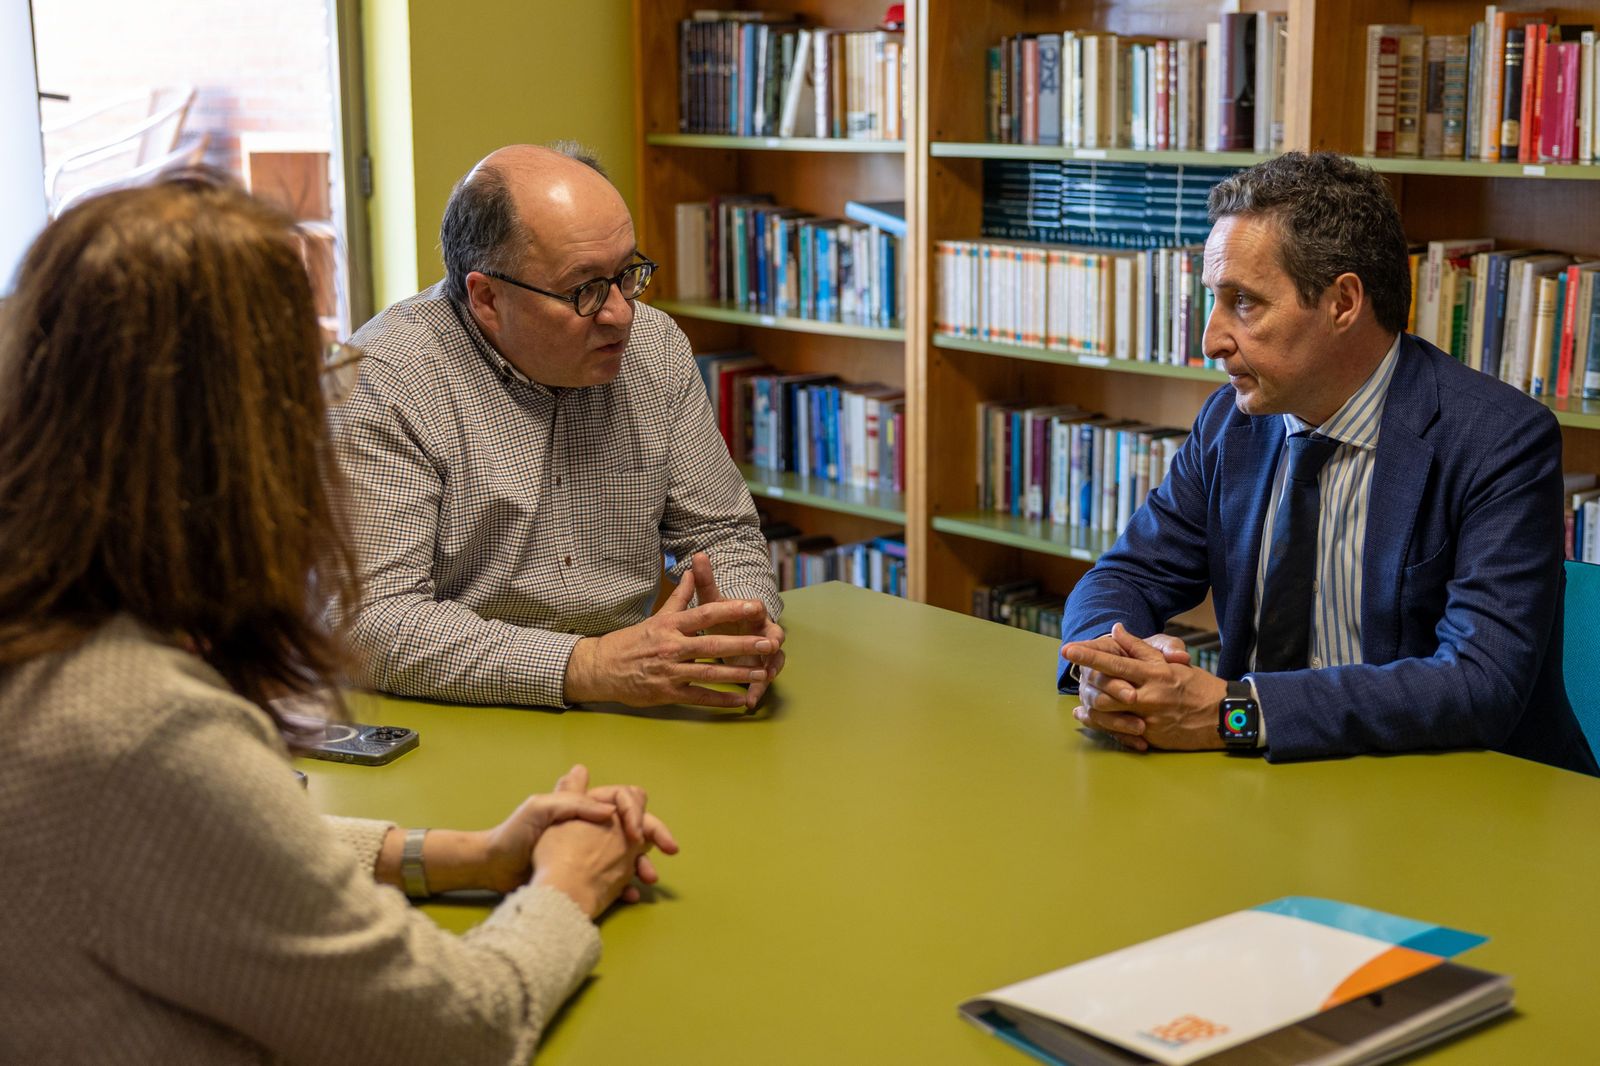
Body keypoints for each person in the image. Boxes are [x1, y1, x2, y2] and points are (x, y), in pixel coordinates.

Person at [0, 173, 678, 1062]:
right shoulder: (143, 725)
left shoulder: (50, 640)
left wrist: (448, 854)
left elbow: (200, 841)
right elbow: (457, 1030)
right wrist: (563, 888)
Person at [1058, 151, 1598, 776]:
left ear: (1343, 302)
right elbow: (1127, 575)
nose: (1210, 340)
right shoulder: (1229, 423)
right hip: (1262, 781)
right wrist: (1110, 668)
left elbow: (1479, 684)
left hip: (1452, 795)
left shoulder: (1499, 441)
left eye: (1244, 302)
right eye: (1213, 299)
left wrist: (1235, 714)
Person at [330, 142, 784, 712]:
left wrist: (740, 628)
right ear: (487, 298)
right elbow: (368, 622)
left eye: (627, 274)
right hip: (449, 715)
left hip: (632, 703)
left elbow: (724, 535)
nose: (620, 313)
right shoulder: (384, 379)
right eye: (585, 290)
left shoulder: (656, 347)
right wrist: (585, 666)